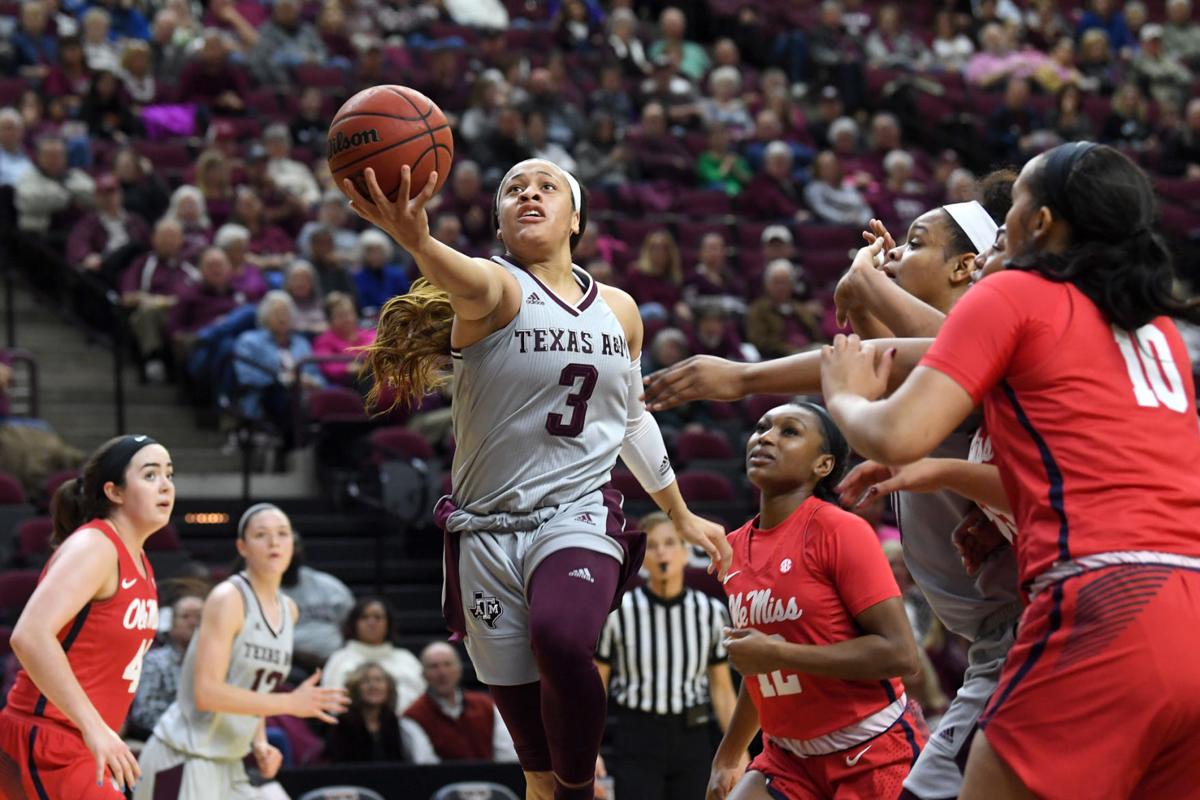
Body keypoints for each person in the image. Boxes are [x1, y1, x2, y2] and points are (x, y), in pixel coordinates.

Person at [818, 142, 1200, 799]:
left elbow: (897, 431)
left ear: (1041, 222)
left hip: (1100, 601)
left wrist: (844, 391)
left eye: (1013, 203)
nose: (1002, 221)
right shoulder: (1155, 327)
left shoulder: (1020, 293)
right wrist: (954, 479)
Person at [343, 158, 729, 800]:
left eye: (547, 186)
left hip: (577, 511)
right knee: (534, 765)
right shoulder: (494, 290)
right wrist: (417, 240)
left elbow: (630, 422)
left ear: (575, 218)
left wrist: (681, 513)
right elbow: (454, 271)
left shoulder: (620, 310)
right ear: (498, 223)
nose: (529, 193)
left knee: (562, 636)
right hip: (486, 530)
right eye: (513, 189)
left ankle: (583, 792)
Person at [708, 402, 925, 799]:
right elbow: (761, 667)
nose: (766, 437)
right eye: (761, 427)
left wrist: (782, 655)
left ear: (823, 465)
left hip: (871, 747)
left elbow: (900, 654)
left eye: (789, 432)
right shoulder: (732, 548)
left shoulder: (841, 530)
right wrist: (730, 752)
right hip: (788, 756)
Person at [134, 504, 350, 799]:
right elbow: (206, 693)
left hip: (230, 759)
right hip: (181, 756)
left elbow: (252, 686)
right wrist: (289, 702)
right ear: (242, 547)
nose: (274, 542)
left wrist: (259, 741)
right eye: (261, 534)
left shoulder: (289, 610)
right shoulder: (228, 599)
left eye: (282, 534)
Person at [0, 435, 173, 798]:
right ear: (115, 491)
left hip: (84, 742)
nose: (166, 485)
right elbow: (30, 635)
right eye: (150, 474)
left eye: (169, 474)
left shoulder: (140, 562)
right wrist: (95, 728)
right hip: (49, 738)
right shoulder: (95, 546)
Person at [595, 512, 740, 799]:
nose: (662, 552)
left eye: (670, 543)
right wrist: (589, 751)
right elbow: (596, 688)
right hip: (637, 736)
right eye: (653, 546)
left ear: (686, 553)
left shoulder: (710, 612)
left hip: (693, 736)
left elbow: (722, 691)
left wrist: (738, 754)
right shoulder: (619, 614)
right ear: (642, 559)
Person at [403, 642, 518, 763]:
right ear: (423, 674)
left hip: (491, 780)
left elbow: (507, 757)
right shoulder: (413, 716)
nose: (442, 673)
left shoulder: (487, 706)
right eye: (433, 666)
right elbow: (426, 764)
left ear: (459, 670)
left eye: (447, 664)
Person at [321, 597, 424, 713]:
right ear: (354, 623)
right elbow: (332, 705)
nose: (371, 623)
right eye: (364, 617)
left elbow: (424, 700)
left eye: (378, 617)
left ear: (388, 623)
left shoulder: (406, 659)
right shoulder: (339, 659)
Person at [324, 662, 438, 764]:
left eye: (379, 680)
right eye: (366, 681)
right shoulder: (342, 723)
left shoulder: (395, 723)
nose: (373, 686)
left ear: (389, 688)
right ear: (355, 688)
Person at [128, 593, 205, 738]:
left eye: (199, 616)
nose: (193, 623)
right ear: (172, 625)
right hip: (164, 741)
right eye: (186, 616)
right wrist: (190, 729)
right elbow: (144, 714)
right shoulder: (155, 661)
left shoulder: (219, 663)